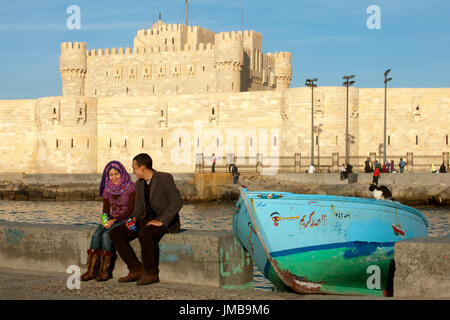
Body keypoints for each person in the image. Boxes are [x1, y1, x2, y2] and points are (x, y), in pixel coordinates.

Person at [109, 153, 183, 286]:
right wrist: (131, 219)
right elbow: (139, 209)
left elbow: (177, 202)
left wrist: (162, 221)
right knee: (116, 233)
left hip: (165, 222)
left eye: (134, 168)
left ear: (142, 168)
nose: (133, 171)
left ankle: (151, 273)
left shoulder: (165, 178)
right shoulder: (140, 183)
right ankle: (136, 269)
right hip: (145, 220)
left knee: (145, 234)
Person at [81, 161, 136, 282]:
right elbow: (105, 210)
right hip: (113, 219)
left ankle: (104, 271)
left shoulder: (130, 187)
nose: (114, 177)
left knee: (106, 235)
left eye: (117, 174)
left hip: (126, 219)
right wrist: (105, 221)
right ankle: (91, 271)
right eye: (111, 175)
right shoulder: (107, 189)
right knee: (96, 235)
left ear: (122, 173)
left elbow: (130, 209)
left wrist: (114, 220)